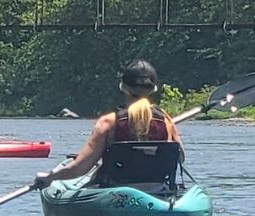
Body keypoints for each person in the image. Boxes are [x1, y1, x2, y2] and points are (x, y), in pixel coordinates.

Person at [32, 60, 179, 188]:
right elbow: (179, 157)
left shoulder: (108, 122)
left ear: (123, 88)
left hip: (116, 191)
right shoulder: (166, 121)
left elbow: (80, 168)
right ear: (153, 90)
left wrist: (50, 178)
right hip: (159, 190)